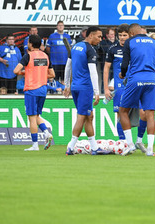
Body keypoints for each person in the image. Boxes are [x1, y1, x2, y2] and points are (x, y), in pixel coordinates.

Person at [117, 24, 155, 156]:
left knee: (123, 111)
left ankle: (130, 145)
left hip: (136, 79)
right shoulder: (154, 42)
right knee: (150, 114)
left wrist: (122, 74)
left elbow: (125, 64)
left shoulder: (130, 42)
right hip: (152, 79)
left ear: (131, 33)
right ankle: (150, 149)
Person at [63, 26, 104, 155]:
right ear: (91, 35)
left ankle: (94, 148)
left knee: (89, 116)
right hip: (85, 88)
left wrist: (67, 85)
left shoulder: (75, 47)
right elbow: (93, 72)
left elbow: (68, 67)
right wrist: (97, 92)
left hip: (75, 87)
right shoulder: (90, 50)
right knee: (81, 116)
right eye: (99, 36)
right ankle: (70, 146)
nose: (100, 39)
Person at [13, 35, 54, 151]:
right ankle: (46, 132)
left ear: (30, 44)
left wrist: (26, 73)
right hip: (43, 89)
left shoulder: (28, 56)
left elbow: (16, 70)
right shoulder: (45, 56)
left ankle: (35, 145)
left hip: (31, 89)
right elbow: (52, 74)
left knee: (31, 117)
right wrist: (39, 74)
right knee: (36, 116)